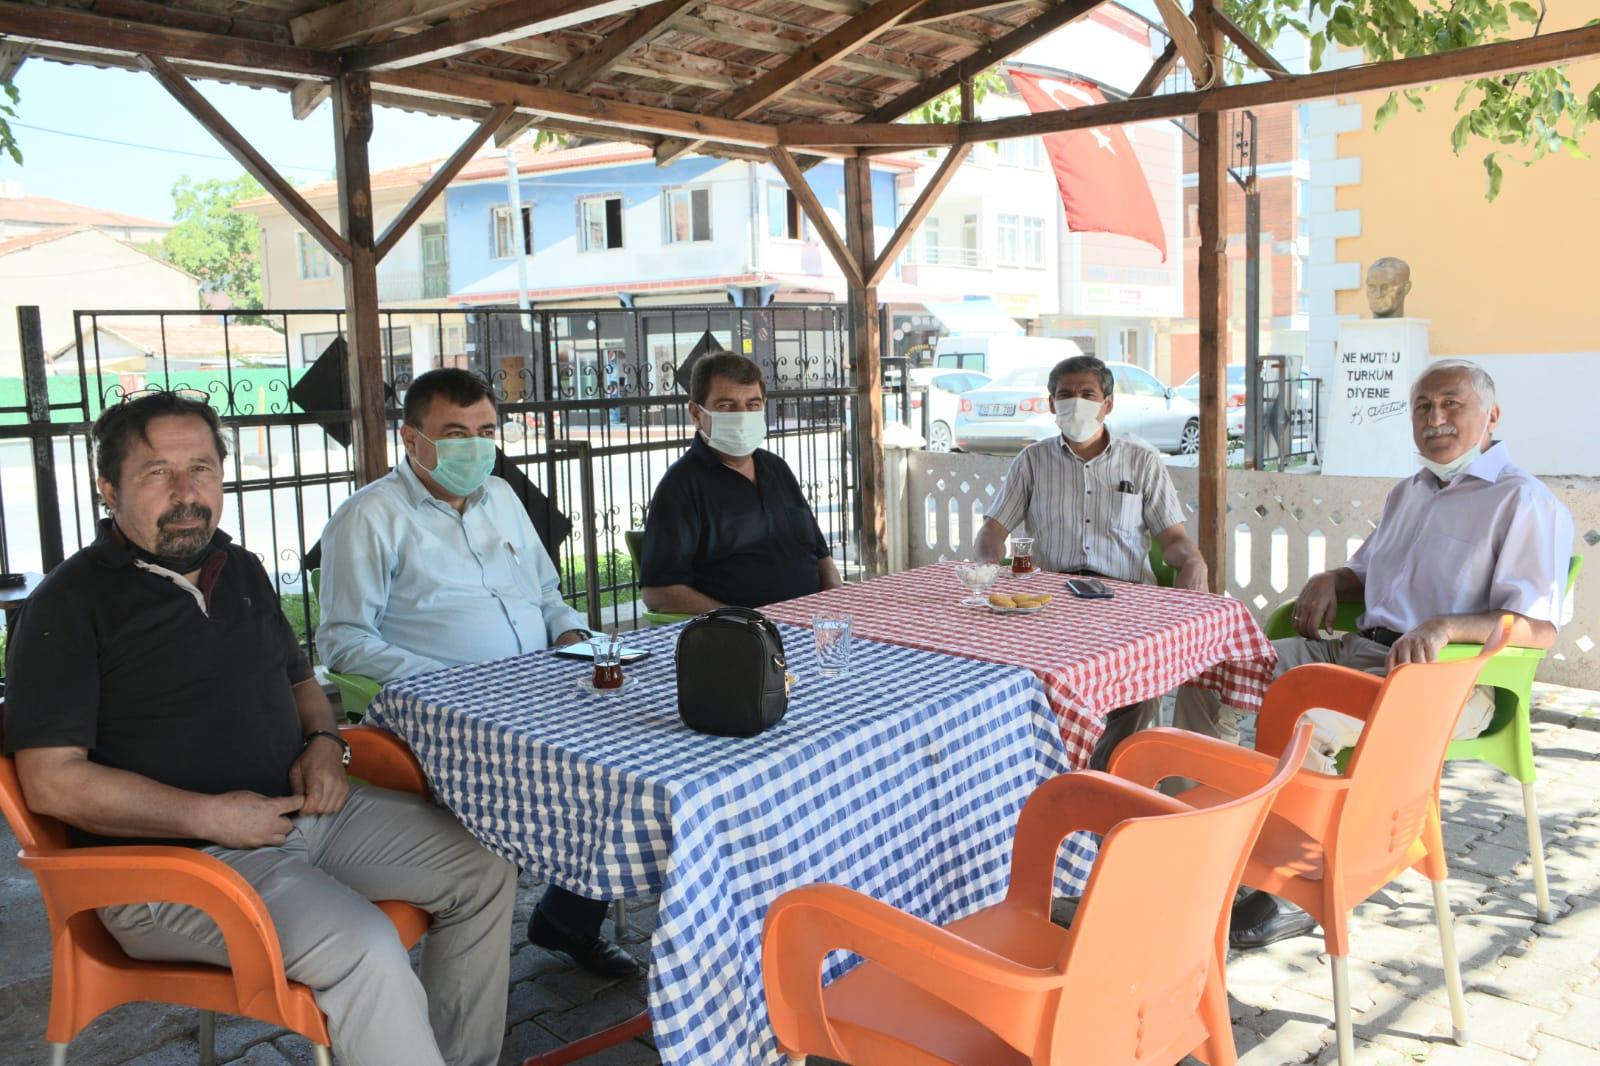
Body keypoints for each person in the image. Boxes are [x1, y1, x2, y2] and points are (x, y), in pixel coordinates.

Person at [3, 391, 517, 1066]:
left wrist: (326, 747)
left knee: (485, 867)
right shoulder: (67, 607)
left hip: (305, 816)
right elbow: (52, 783)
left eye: (203, 468)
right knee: (363, 943)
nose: (187, 492)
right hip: (174, 870)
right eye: (158, 472)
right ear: (108, 488)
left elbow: (303, 683)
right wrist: (210, 817)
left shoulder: (237, 568)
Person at [1175, 359, 1575, 948]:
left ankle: (1295, 882)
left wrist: (1445, 628)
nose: (1434, 418)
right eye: (1422, 407)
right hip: (1360, 650)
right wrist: (1329, 580)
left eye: (1451, 404)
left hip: (1447, 684)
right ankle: (1192, 842)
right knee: (1210, 669)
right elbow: (1363, 575)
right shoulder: (1410, 492)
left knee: (1304, 721)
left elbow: (1538, 629)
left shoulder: (1523, 502)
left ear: (1491, 416)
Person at [316, 368, 643, 980]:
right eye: (455, 432)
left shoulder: (503, 497)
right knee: (600, 779)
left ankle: (569, 918)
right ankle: (562, 917)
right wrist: (442, 680)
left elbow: (547, 593)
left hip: (544, 685)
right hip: (452, 716)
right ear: (411, 440)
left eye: (485, 431)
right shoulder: (369, 517)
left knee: (642, 751)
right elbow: (342, 639)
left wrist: (570, 630)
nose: (475, 446)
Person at [974, 354, 1209, 770]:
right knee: (1034, 687)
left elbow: (1173, 539)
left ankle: (1100, 784)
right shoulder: (1032, 461)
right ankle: (1048, 775)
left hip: (1124, 601)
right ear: (1050, 404)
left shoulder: (1142, 461)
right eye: (1065, 395)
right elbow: (992, 531)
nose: (1076, 404)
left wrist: (1192, 561)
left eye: (1088, 395)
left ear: (1108, 404)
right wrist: (990, 574)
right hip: (1049, 602)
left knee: (1137, 695)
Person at [639, 352, 842, 612]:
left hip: (812, 623)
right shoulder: (681, 487)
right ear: (696, 413)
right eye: (727, 406)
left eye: (753, 404)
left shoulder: (776, 468)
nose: (743, 415)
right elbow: (658, 592)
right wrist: (740, 621)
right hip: (738, 638)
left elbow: (821, 556)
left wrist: (835, 606)